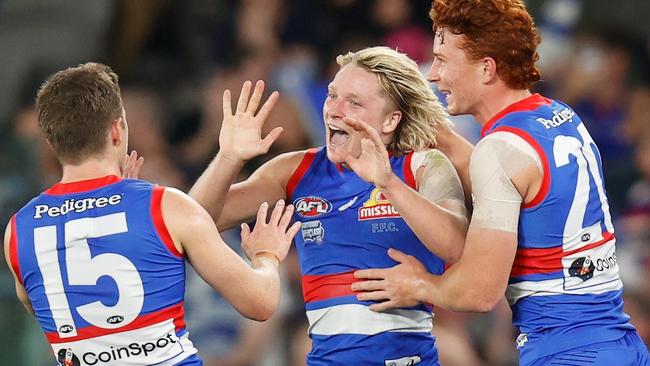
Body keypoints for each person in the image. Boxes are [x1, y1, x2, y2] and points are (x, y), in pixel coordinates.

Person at [350, 1, 650, 365]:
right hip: (620, 343)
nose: (434, 76)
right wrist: (441, 136)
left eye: (443, 60)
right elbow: (507, 175)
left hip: (565, 352)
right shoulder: (559, 114)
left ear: (486, 68)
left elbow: (479, 293)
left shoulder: (499, 150)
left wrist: (418, 284)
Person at [3, 63, 300, 366]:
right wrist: (267, 253)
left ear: (52, 142)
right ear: (117, 130)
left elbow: (47, 306)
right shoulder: (162, 206)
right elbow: (260, 303)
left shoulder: (18, 230)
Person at [189, 46, 469, 365]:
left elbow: (457, 248)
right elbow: (191, 224)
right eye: (332, 95)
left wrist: (388, 183)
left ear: (391, 120)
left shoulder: (423, 166)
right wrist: (228, 158)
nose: (334, 110)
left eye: (354, 102)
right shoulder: (296, 170)